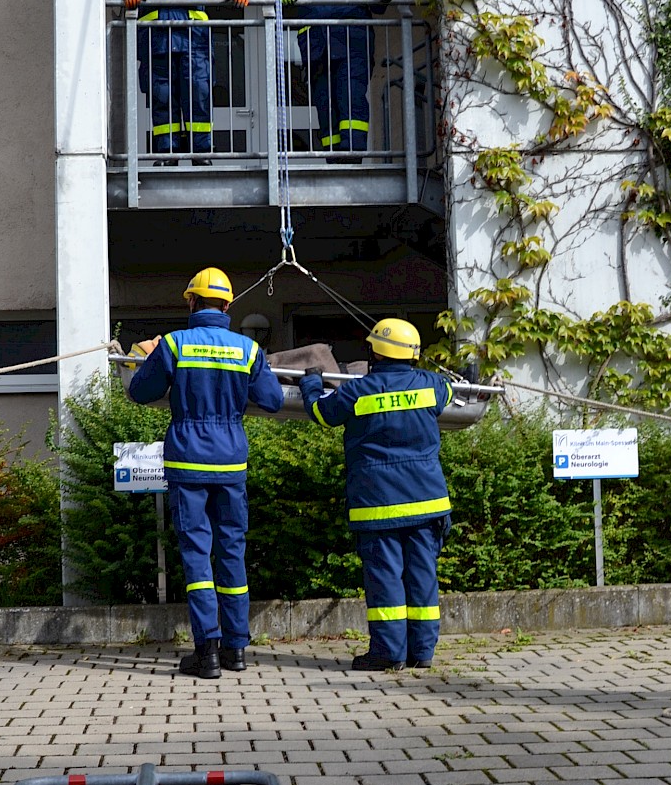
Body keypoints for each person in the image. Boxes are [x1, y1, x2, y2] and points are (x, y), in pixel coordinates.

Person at [127, 267, 283, 677]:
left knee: (197, 557)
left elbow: (140, 392)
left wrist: (149, 354)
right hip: (231, 463)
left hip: (187, 462)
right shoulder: (248, 350)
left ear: (192, 301)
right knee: (232, 553)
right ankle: (236, 651)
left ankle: (207, 654)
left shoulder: (175, 345)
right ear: (229, 305)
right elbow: (271, 400)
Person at [300, 318, 453, 671]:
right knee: (422, 580)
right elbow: (449, 395)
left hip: (378, 506)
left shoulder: (357, 392)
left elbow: (322, 413)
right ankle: (422, 653)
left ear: (376, 352)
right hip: (428, 504)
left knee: (385, 580)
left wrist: (311, 385)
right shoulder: (432, 385)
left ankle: (388, 653)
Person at [109, 0, 249, 158]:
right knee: (162, 97)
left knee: (198, 93)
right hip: (157, 39)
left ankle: (201, 153)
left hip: (194, 40)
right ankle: (167, 154)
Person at [281, 0, 392, 154]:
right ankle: (333, 157)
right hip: (317, 46)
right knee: (325, 103)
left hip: (352, 45)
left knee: (350, 98)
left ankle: (353, 153)